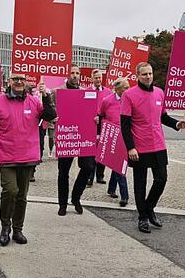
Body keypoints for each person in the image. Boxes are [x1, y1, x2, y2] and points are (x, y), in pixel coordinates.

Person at [0, 73, 56, 247]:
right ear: (9, 82)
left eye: (22, 79)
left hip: (28, 156)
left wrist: (46, 96)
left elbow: (50, 116)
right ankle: (5, 227)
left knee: (22, 196)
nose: (19, 82)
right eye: (15, 79)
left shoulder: (34, 101)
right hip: (7, 157)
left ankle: (18, 229)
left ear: (25, 82)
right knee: (10, 191)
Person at [121, 62, 185, 233]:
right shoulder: (129, 95)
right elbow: (125, 125)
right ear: (137, 76)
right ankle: (142, 217)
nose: (148, 77)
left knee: (161, 179)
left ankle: (149, 208)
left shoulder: (159, 92)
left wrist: (177, 124)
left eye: (150, 73)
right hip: (139, 146)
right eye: (144, 74)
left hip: (158, 144)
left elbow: (163, 117)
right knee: (140, 184)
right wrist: (130, 147)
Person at [52, 66, 96, 215]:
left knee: (88, 167)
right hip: (67, 136)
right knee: (63, 172)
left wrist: (96, 118)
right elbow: (49, 110)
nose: (75, 76)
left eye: (77, 73)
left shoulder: (86, 92)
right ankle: (62, 204)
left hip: (83, 136)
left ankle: (76, 197)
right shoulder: (57, 92)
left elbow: (93, 112)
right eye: (73, 73)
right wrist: (53, 118)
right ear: (68, 75)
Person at [98, 77, 130, 207]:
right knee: (118, 164)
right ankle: (124, 195)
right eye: (125, 87)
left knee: (118, 164)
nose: (128, 90)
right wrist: (100, 133)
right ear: (117, 88)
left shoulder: (130, 100)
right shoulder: (107, 101)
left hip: (125, 136)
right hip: (111, 134)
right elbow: (100, 115)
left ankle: (112, 189)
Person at [87, 69, 112, 186]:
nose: (98, 80)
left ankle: (100, 176)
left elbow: (111, 109)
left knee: (102, 150)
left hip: (103, 125)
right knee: (91, 152)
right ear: (92, 79)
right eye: (96, 77)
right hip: (91, 125)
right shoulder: (87, 91)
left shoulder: (108, 92)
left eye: (99, 77)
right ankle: (89, 177)